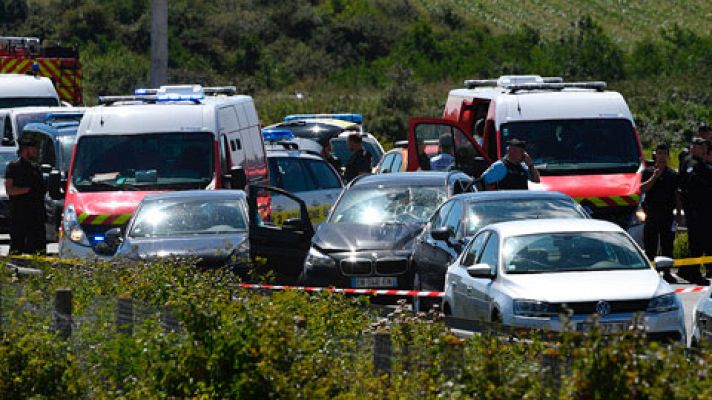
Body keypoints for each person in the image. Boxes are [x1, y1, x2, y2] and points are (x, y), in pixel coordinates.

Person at [639, 143, 680, 283]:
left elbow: (677, 194)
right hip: (652, 213)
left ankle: (667, 272)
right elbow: (642, 189)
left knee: (667, 244)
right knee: (651, 244)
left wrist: (679, 212)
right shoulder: (648, 172)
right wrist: (654, 177)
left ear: (668, 156)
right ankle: (652, 271)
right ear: (655, 155)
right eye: (659, 153)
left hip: (667, 214)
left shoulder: (672, 174)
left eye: (664, 153)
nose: (662, 156)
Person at [5, 136, 46, 255]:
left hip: (36, 216)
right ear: (26, 149)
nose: (36, 151)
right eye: (33, 149)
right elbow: (10, 190)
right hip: (20, 215)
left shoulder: (36, 168)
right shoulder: (14, 167)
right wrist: (28, 190)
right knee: (17, 248)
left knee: (39, 250)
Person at [679, 138, 712, 285]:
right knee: (698, 242)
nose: (704, 150)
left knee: (698, 242)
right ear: (694, 148)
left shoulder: (689, 162)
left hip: (697, 210)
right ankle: (692, 272)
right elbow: (694, 186)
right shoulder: (695, 165)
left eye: (704, 147)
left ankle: (689, 269)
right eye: (701, 147)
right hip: (698, 210)